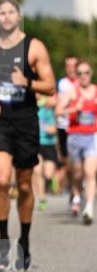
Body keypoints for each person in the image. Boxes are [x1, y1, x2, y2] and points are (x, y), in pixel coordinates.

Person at [0, 0, 55, 271]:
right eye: (1, 12)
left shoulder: (34, 46)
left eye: (11, 12)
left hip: (26, 122)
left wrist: (27, 82)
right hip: (0, 121)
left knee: (24, 185)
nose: (6, 17)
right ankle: (3, 239)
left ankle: (24, 239)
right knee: (2, 179)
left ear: (19, 16)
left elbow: (50, 85)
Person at [56, 59, 97, 224]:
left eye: (86, 73)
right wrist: (74, 109)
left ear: (91, 74)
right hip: (74, 136)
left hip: (92, 136)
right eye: (80, 73)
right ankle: (77, 196)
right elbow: (58, 111)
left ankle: (89, 208)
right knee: (77, 173)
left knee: (90, 172)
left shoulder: (96, 91)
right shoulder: (72, 92)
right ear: (77, 75)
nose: (83, 76)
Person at [56, 55, 78, 200]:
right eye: (68, 66)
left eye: (73, 65)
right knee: (68, 163)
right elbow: (54, 101)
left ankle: (78, 189)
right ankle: (73, 187)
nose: (70, 69)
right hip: (64, 126)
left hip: (79, 126)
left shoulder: (83, 81)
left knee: (80, 161)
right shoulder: (61, 83)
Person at [33, 95, 59, 211]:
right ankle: (41, 198)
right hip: (36, 143)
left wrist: (51, 128)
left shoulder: (48, 104)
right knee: (37, 171)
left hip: (48, 143)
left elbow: (56, 101)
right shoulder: (30, 105)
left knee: (48, 173)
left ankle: (53, 179)